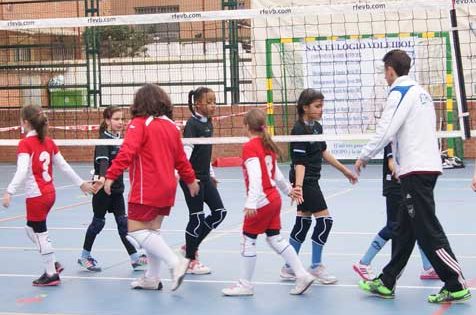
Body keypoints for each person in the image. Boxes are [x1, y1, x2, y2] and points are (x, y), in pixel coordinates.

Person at [355, 49, 471, 303]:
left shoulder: (400, 91)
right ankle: (387, 280)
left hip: (416, 170)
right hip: (423, 167)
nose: (384, 76)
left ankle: (455, 282)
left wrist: (364, 155)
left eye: (384, 71)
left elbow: (386, 130)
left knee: (427, 229)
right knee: (404, 228)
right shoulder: (422, 93)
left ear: (390, 70)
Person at [104, 84, 200, 291]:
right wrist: (190, 179)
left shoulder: (139, 124)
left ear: (140, 103)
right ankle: (152, 278)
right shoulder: (171, 126)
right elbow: (181, 159)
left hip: (147, 187)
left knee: (136, 231)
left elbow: (127, 151)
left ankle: (176, 263)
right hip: (167, 187)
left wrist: (110, 176)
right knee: (152, 231)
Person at [222, 109, 315, 296]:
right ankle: (302, 274)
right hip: (274, 199)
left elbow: (256, 177)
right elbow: (277, 175)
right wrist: (289, 191)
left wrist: (251, 203)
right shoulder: (267, 144)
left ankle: (245, 285)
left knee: (248, 240)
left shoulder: (250, 147)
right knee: (275, 239)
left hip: (262, 200)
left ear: (246, 126)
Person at [2, 104, 94, 286]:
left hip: (36, 196)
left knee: (40, 233)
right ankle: (52, 262)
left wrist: (9, 191)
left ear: (26, 122)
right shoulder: (48, 142)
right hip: (49, 193)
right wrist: (80, 183)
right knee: (31, 230)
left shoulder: (25, 144)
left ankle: (51, 273)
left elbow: (21, 171)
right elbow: (64, 166)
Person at [280, 89, 358, 284]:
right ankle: (315, 266)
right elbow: (299, 162)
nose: (321, 109)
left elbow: (324, 152)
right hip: (304, 180)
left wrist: (345, 170)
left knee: (303, 223)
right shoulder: (299, 130)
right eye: (317, 106)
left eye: (322, 105)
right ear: (305, 107)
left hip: (311, 179)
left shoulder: (316, 127)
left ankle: (289, 267)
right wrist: (297, 187)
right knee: (325, 221)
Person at [352, 144, 438, 280]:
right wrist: (401, 174)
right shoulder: (392, 138)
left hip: (406, 186)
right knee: (393, 226)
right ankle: (364, 263)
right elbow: (391, 163)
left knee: (417, 225)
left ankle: (428, 268)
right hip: (394, 188)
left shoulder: (407, 137)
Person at [78, 106, 147, 272]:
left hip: (117, 190)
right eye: (116, 119)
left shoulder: (120, 139)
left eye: (122, 119)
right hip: (103, 190)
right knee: (98, 223)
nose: (120, 122)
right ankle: (84, 256)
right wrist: (102, 179)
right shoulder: (104, 139)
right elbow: (103, 163)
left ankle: (135, 258)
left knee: (123, 224)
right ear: (107, 120)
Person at [179, 87, 226, 274]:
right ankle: (190, 260)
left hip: (205, 176)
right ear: (198, 104)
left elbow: (205, 153)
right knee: (197, 218)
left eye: (215, 101)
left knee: (219, 212)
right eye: (209, 102)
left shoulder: (209, 123)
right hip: (192, 178)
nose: (213, 105)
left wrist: (211, 173)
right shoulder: (192, 125)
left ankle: (190, 246)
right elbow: (185, 155)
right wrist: (189, 179)